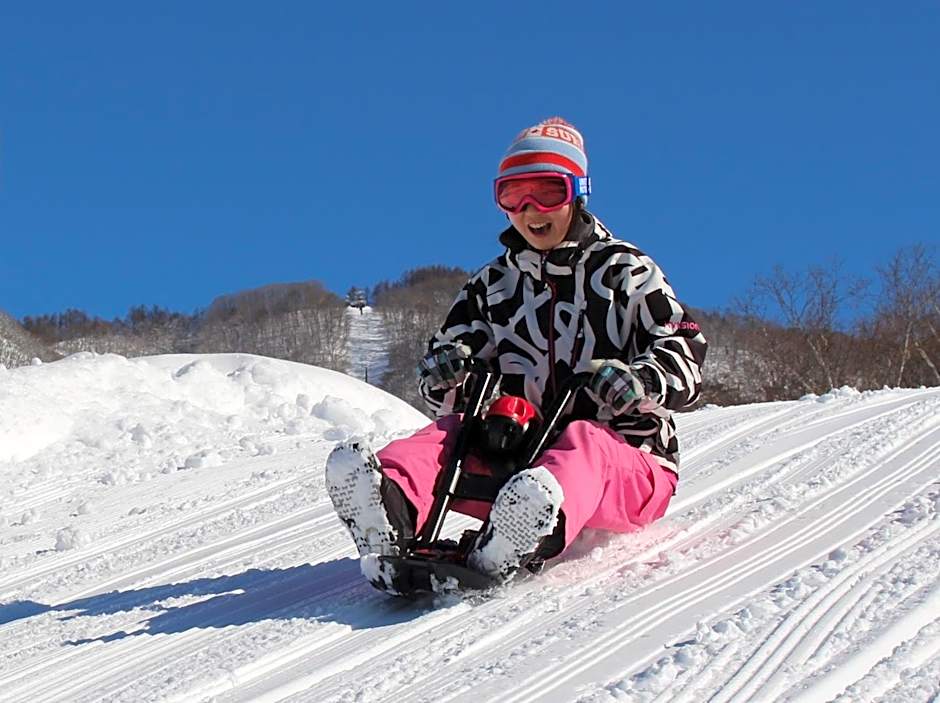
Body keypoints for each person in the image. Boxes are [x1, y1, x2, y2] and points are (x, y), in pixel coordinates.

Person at [326, 117, 707, 591]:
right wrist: (446, 374)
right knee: (451, 433)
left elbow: (684, 343)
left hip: (630, 464)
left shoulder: (624, 271)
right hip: (519, 462)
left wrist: (642, 380)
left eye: (547, 191)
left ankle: (526, 530)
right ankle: (389, 508)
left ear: (577, 192)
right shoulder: (491, 286)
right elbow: (442, 372)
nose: (530, 209)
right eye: (513, 195)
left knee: (586, 440)